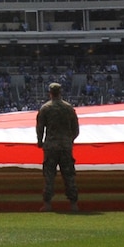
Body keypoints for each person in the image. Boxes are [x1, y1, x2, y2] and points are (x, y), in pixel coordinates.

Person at [35, 81, 80, 212]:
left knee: (49, 176)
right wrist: (68, 141)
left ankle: (48, 204)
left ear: (50, 93)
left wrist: (40, 141)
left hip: (51, 147)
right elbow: (76, 130)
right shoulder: (68, 108)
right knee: (69, 175)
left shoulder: (45, 108)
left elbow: (40, 128)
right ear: (60, 92)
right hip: (65, 147)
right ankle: (73, 204)